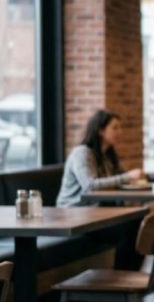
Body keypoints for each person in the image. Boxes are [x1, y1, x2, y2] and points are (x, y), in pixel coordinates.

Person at [56, 110, 145, 270]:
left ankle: (127, 279)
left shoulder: (108, 155)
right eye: (115, 128)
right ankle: (122, 281)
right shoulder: (82, 153)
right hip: (74, 214)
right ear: (101, 130)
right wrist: (128, 177)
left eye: (120, 128)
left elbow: (121, 178)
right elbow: (90, 185)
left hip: (96, 214)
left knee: (139, 224)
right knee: (130, 229)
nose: (120, 132)